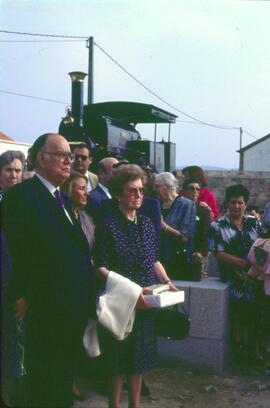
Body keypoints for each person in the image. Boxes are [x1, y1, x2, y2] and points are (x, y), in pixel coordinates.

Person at [2, 133, 96, 407]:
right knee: (44, 380)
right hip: (44, 307)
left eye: (71, 156)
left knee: (62, 378)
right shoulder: (21, 197)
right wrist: (20, 294)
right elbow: (16, 251)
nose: (70, 161)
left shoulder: (63, 200)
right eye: (62, 155)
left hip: (70, 308)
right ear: (42, 159)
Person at [93, 164, 177, 408]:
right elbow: (100, 266)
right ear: (119, 193)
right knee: (117, 363)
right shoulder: (108, 225)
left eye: (141, 190)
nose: (138, 195)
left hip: (146, 301)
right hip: (122, 302)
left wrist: (168, 282)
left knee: (139, 362)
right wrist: (128, 290)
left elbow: (154, 260)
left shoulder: (148, 225)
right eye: (132, 191)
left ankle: (136, 406)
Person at [209, 184, 261, 362]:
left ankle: (254, 351)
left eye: (240, 203)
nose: (236, 207)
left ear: (246, 204)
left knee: (256, 314)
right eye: (233, 203)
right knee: (238, 313)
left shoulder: (254, 222)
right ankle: (238, 352)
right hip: (232, 276)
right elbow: (217, 251)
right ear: (226, 203)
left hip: (256, 275)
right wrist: (240, 262)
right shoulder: (217, 225)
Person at [62, 171, 95, 401]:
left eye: (86, 188)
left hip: (85, 284)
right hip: (65, 286)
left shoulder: (86, 218)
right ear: (68, 190)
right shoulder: (60, 216)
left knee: (76, 335)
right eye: (80, 188)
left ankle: (71, 378)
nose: (85, 193)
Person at [154, 172, 197, 280]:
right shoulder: (155, 203)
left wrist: (164, 227)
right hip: (158, 260)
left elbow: (185, 237)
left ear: (168, 186)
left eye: (157, 186)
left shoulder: (187, 205)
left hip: (178, 261)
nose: (154, 189)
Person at [182, 177, 212, 280]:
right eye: (191, 188)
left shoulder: (203, 211)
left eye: (197, 189)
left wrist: (201, 252)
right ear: (184, 191)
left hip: (195, 255)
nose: (195, 191)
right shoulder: (177, 208)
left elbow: (206, 234)